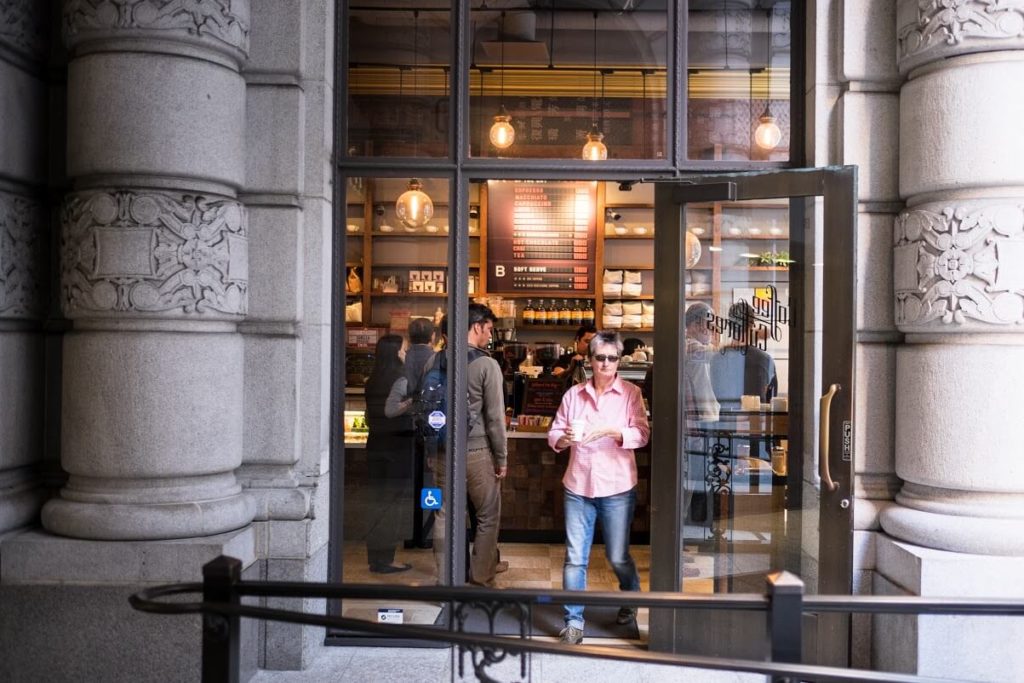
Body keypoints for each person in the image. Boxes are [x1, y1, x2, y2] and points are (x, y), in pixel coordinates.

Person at [547, 330, 650, 645]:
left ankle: (630, 600)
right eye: (600, 357)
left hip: (618, 486)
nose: (606, 363)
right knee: (575, 557)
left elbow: (642, 434)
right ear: (589, 360)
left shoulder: (631, 394)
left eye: (612, 358)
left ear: (619, 361)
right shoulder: (573, 395)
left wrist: (613, 431)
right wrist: (562, 440)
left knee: (618, 556)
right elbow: (554, 433)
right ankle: (574, 622)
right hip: (578, 485)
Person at [430, 303, 509, 587]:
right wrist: (501, 458)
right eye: (488, 329)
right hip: (475, 452)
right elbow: (495, 419)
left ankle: (446, 578)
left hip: (439, 451)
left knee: (444, 513)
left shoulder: (434, 360)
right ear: (476, 327)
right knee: (487, 514)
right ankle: (481, 577)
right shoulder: (487, 364)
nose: (490, 335)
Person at [363, 334, 414, 574]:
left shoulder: (371, 380)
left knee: (376, 503)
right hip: (397, 447)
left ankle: (375, 557)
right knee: (392, 505)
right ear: (395, 353)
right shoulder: (401, 379)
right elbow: (391, 410)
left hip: (375, 445)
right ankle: (387, 559)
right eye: (404, 349)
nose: (406, 353)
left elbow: (367, 416)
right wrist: (412, 403)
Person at [709, 300, 778, 411]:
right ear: (752, 324)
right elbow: (772, 400)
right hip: (756, 424)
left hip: (725, 423)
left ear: (729, 324)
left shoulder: (717, 359)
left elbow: (716, 396)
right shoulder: (765, 360)